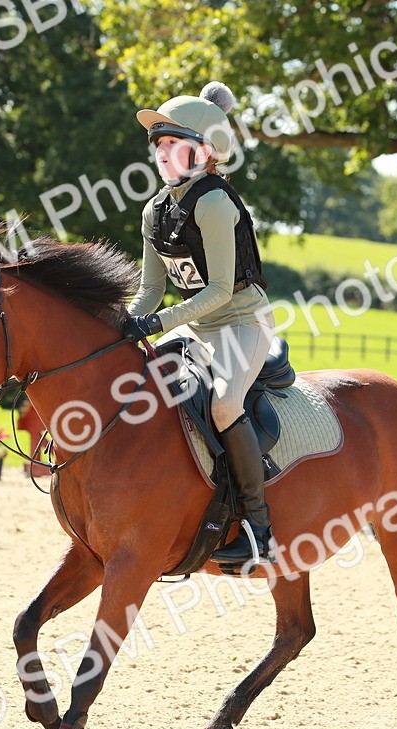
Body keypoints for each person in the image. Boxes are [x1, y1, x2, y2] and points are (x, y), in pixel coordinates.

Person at [122, 82, 276, 568]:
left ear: (206, 153)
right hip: (197, 325)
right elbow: (149, 290)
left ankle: (258, 526)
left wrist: (158, 321)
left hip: (241, 322)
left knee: (226, 403)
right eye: (160, 146)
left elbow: (219, 291)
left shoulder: (215, 202)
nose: (164, 154)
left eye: (174, 144)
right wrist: (122, 323)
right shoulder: (153, 211)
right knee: (134, 378)